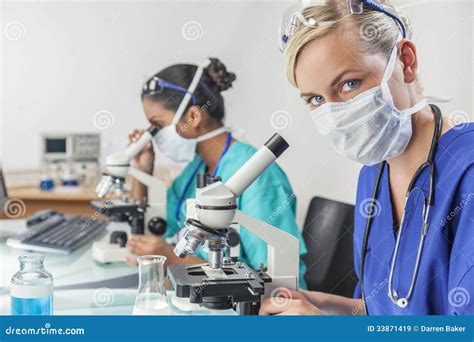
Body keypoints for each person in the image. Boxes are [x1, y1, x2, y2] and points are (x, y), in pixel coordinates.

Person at [261, 0, 473, 315]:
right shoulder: (372, 177)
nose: (334, 113)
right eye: (316, 99)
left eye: (349, 84)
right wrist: (320, 303)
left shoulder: (466, 171)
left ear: (406, 61)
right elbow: (380, 310)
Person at [126, 58, 308, 288]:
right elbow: (156, 226)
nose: (153, 135)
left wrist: (172, 259)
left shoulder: (257, 176)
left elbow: (277, 283)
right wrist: (142, 169)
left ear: (193, 116)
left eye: (157, 125)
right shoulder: (196, 168)